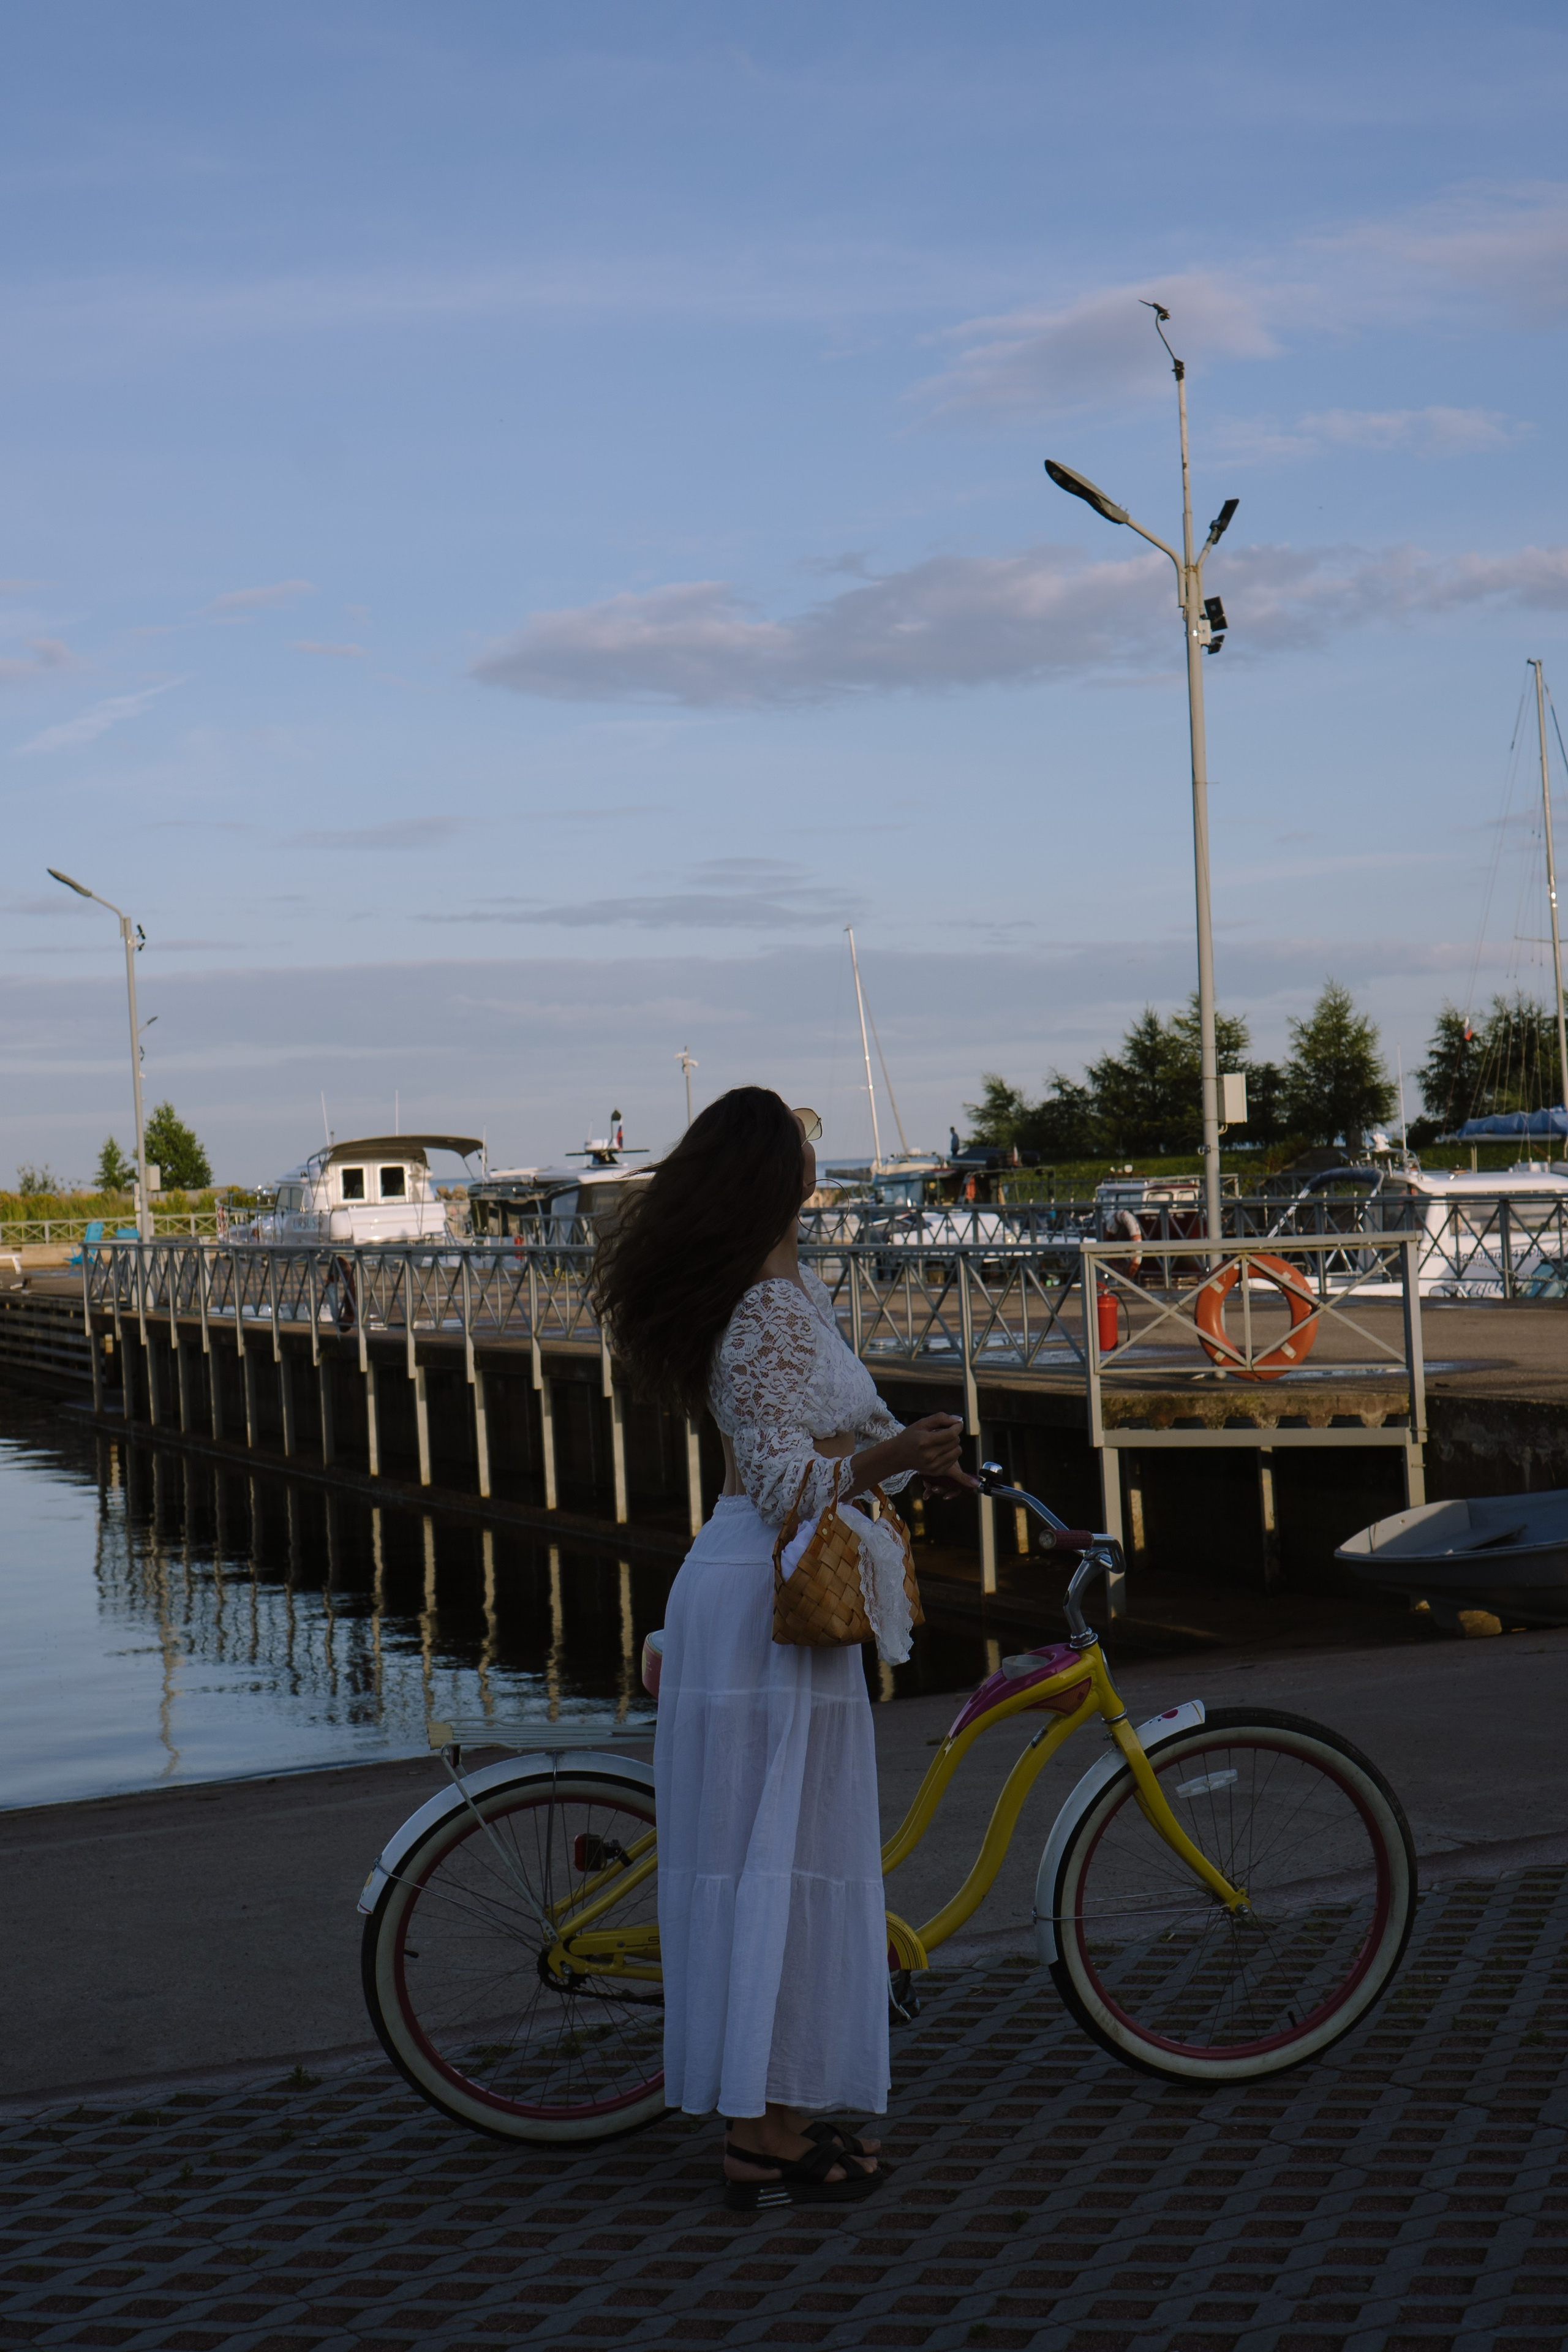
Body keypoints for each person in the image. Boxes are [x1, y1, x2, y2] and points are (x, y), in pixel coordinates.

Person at [593, 1087, 975, 2209]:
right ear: (775, 1179)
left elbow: (830, 1438)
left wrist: (910, 1459)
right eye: (805, 1153)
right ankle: (759, 2134)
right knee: (772, 1860)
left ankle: (782, 2115)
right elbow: (781, 1482)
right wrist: (888, 1449)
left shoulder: (784, 1290)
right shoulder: (760, 1312)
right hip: (761, 1598)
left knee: (788, 1856)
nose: (819, 1165)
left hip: (782, 1597)